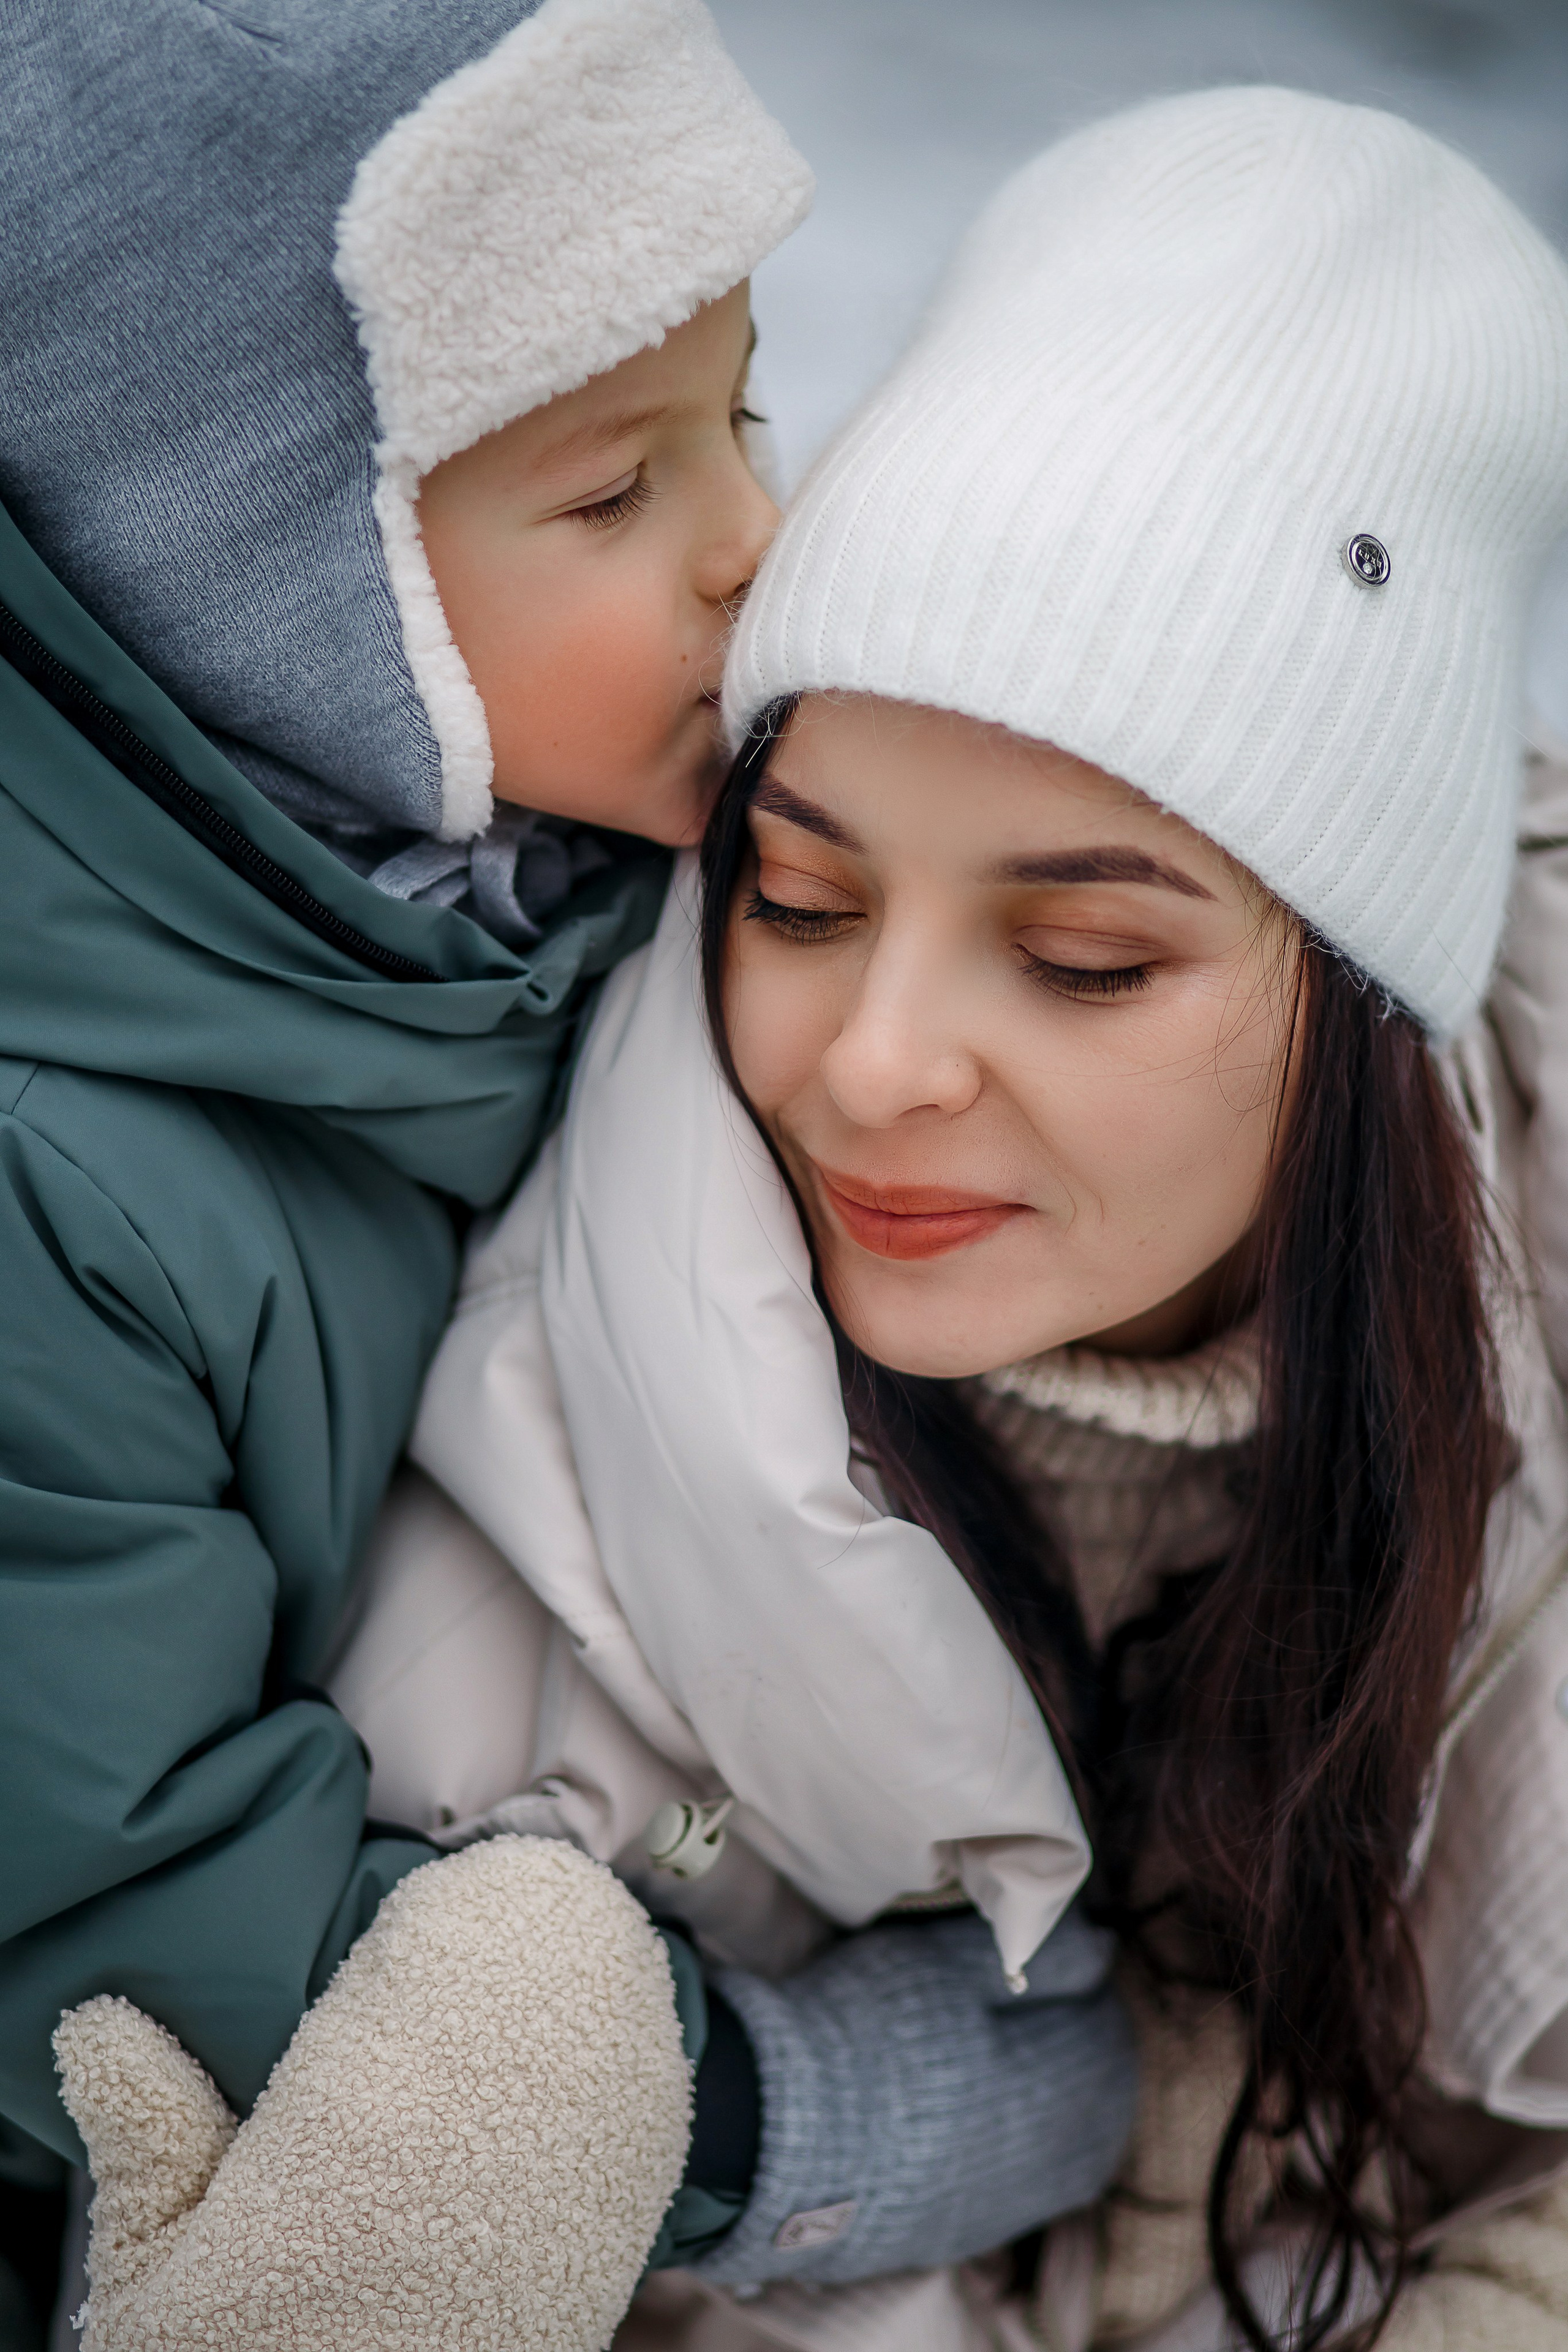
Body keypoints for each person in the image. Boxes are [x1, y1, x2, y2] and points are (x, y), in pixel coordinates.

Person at [400, 85, 1568, 2351]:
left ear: (1367, 999)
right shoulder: (538, 1378)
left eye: (1084, 959)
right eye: (804, 896)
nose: (869, 1065)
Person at [0, 0, 819, 2339]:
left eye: (744, 408)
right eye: (610, 487)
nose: (758, 542)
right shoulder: (52, 1191)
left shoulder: (509, 892)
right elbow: (110, 1942)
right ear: (239, 582)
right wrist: (780, 2111)